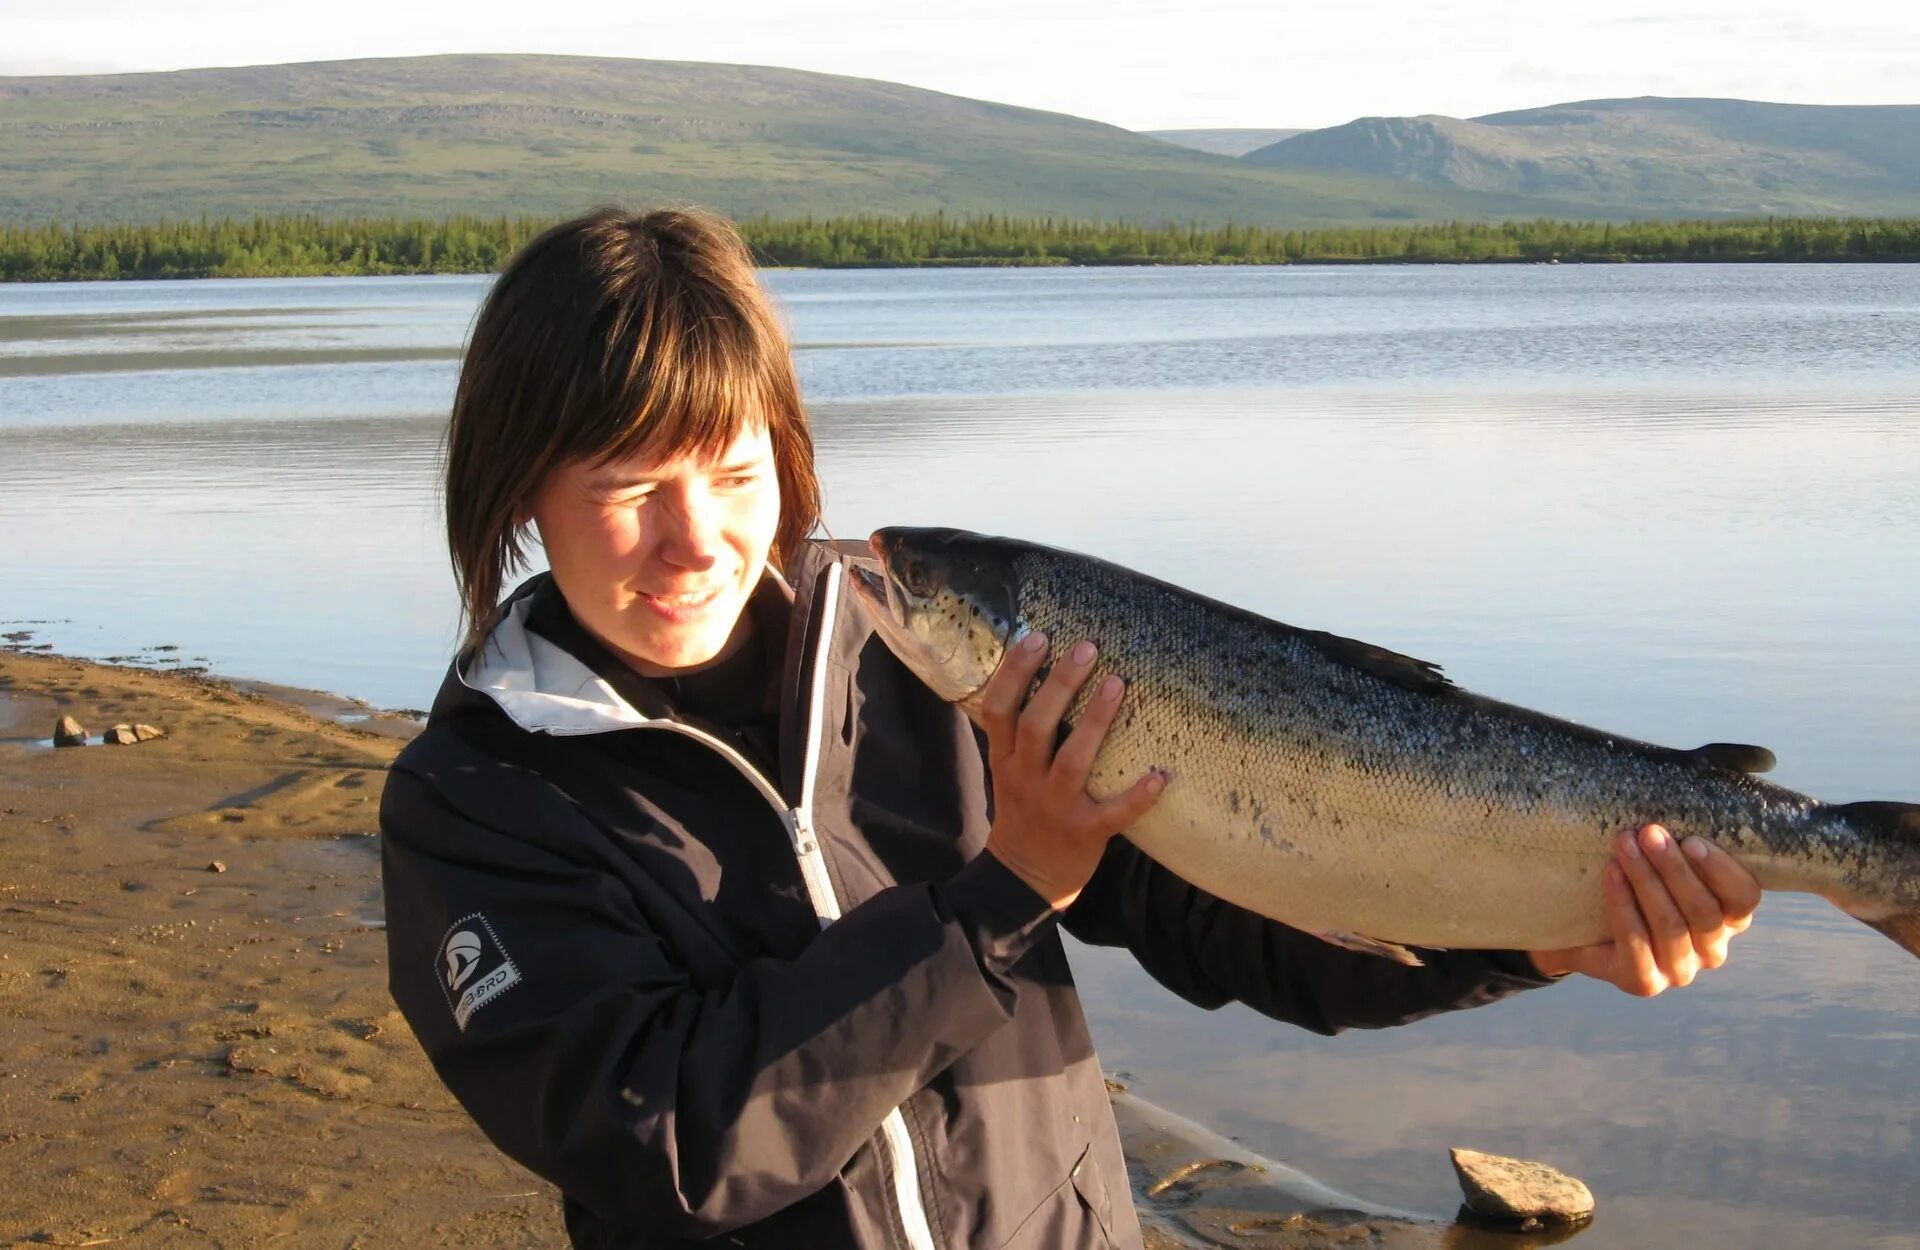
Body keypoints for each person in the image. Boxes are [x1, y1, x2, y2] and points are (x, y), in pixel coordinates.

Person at [379, 207, 1762, 1250]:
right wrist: (998, 899)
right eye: (631, 485)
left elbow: (1233, 915)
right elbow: (669, 1133)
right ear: (520, 491)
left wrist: (1532, 933)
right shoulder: (478, 801)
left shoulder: (922, 660)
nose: (697, 540)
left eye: (738, 472)